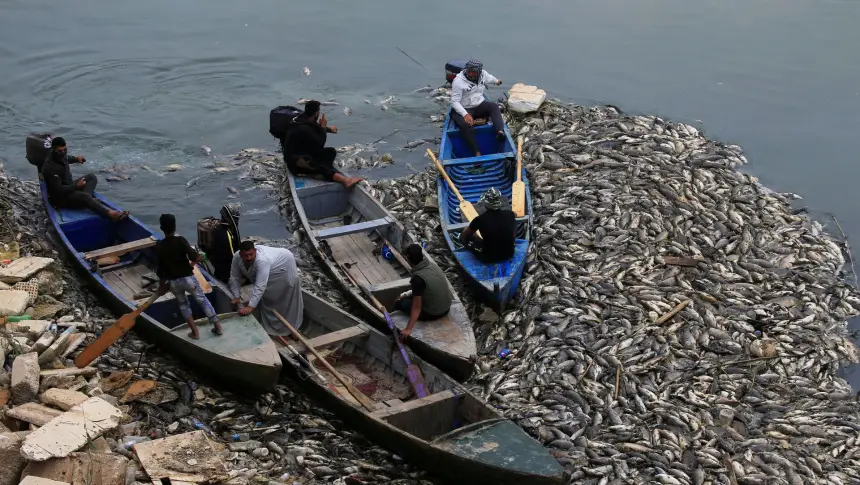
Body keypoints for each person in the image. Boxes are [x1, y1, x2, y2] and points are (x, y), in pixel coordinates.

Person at [155, 214, 223, 340]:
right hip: (188, 279)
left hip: (173, 283)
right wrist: (199, 257)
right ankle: (217, 327)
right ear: (175, 227)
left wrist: (161, 287)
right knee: (202, 300)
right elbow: (194, 257)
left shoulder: (159, 246)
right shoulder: (180, 240)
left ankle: (195, 332)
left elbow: (160, 271)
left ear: (161, 228)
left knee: (183, 305)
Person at [41, 137, 128, 221]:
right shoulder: (49, 167)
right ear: (53, 150)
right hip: (60, 198)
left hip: (69, 187)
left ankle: (87, 201)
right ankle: (111, 214)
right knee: (85, 196)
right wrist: (76, 186)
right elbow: (58, 190)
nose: (63, 152)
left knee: (91, 177)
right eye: (60, 151)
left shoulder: (60, 155)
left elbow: (67, 158)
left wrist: (76, 159)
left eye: (65, 150)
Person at [283, 100, 364, 188]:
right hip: (296, 163)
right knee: (321, 168)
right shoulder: (303, 128)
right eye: (319, 111)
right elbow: (320, 144)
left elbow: (313, 127)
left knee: (331, 152)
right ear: (316, 113)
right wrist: (323, 127)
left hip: (301, 153)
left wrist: (328, 129)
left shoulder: (301, 120)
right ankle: (345, 181)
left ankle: (322, 171)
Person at [228, 240, 304, 335]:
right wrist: (236, 297)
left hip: (284, 265)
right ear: (240, 254)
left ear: (255, 251)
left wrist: (250, 307)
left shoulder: (262, 260)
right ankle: (271, 324)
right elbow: (234, 277)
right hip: (271, 266)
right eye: (245, 256)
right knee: (267, 297)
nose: (249, 258)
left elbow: (260, 285)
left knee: (283, 297)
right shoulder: (236, 257)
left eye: (251, 254)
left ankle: (291, 328)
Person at [392, 244, 453, 340]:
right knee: (409, 296)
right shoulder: (432, 265)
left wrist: (408, 329)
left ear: (408, 258)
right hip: (447, 308)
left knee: (401, 303)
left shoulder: (417, 278)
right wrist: (406, 294)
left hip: (433, 313)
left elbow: (417, 307)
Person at [450, 59, 505, 157]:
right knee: (467, 125)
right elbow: (455, 102)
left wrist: (497, 81)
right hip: (464, 108)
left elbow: (490, 78)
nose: (470, 73)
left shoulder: (483, 74)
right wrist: (465, 114)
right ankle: (477, 151)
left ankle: (500, 131)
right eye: (469, 71)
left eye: (474, 72)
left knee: (494, 107)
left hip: (478, 104)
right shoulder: (458, 81)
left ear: (479, 71)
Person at [459, 188, 516, 264]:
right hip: (509, 253)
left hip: (489, 257)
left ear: (486, 204)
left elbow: (465, 236)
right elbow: (515, 214)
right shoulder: (510, 214)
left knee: (464, 233)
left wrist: (465, 236)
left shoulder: (479, 220)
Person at [201, 203, 241, 283]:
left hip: (218, 266)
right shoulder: (226, 235)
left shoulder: (220, 229)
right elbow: (233, 257)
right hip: (226, 274)